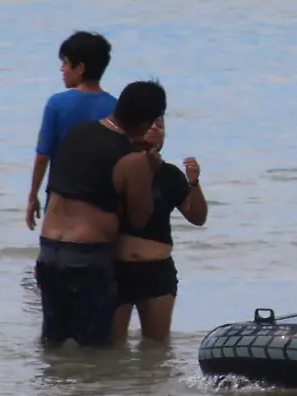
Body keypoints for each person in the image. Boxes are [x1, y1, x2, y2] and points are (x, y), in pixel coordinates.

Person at [36, 80, 163, 348]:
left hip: (49, 250)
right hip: (88, 257)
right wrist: (149, 164)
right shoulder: (133, 160)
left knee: (53, 344)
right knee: (94, 351)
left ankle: (50, 390)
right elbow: (141, 218)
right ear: (148, 122)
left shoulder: (77, 133)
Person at [113, 116, 206, 343]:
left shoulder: (170, 175)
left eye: (161, 125)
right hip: (116, 268)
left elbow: (197, 217)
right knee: (112, 347)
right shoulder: (119, 168)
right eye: (151, 122)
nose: (155, 127)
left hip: (157, 270)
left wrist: (193, 183)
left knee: (157, 349)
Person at [25, 32, 115, 231]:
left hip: (61, 202)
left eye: (66, 63)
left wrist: (32, 197)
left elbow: (43, 156)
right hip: (103, 204)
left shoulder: (57, 104)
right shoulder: (116, 107)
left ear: (80, 68)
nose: (62, 69)